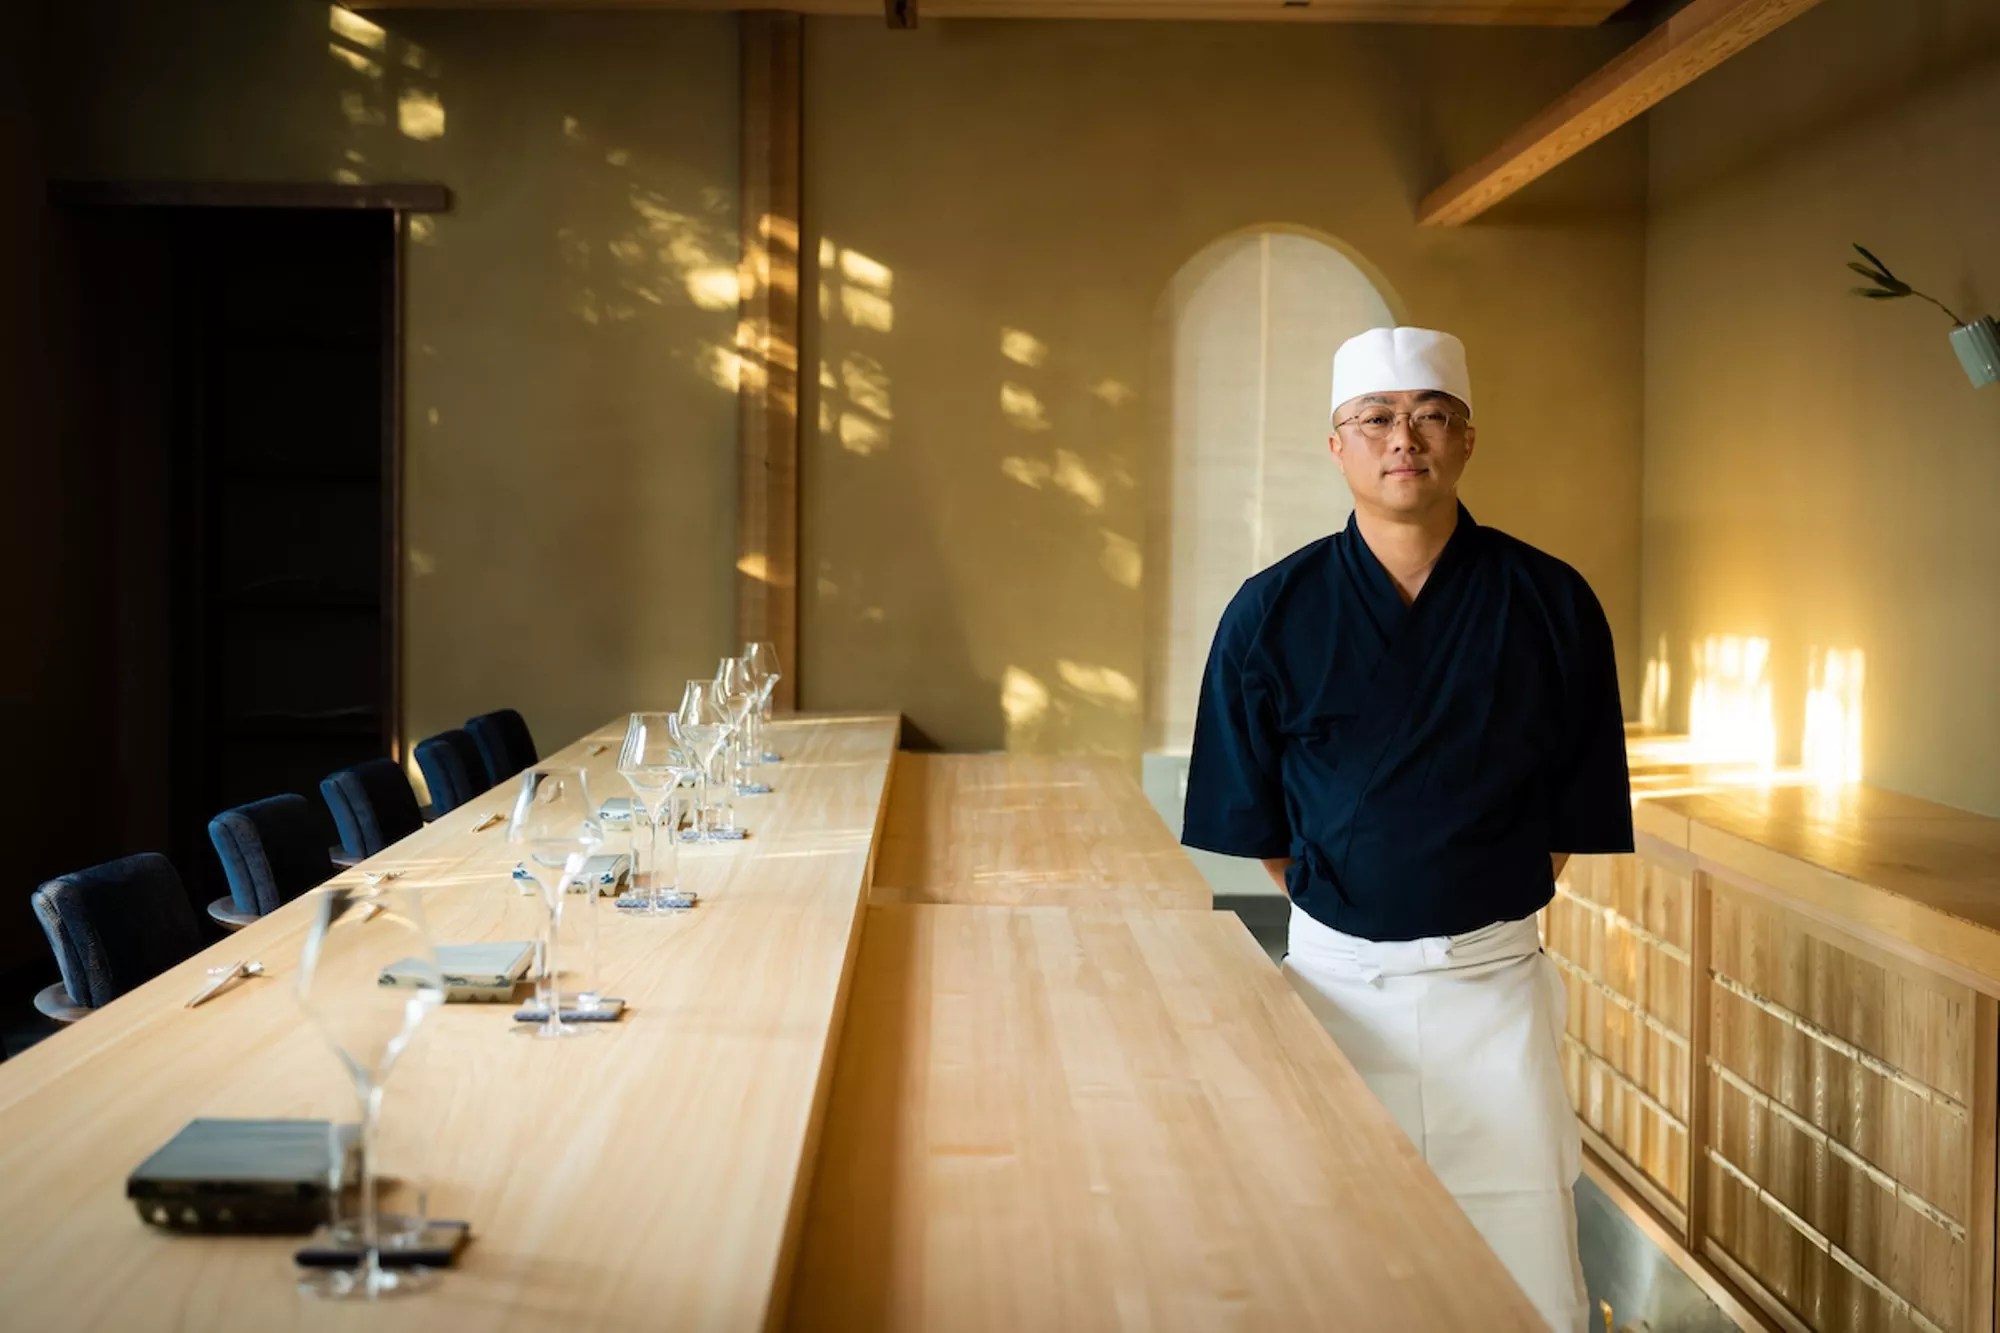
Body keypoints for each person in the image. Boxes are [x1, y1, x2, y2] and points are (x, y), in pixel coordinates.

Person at [1182, 326, 1632, 1333]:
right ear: (1334, 445)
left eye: (1429, 415)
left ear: (1466, 439)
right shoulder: (1269, 612)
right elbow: (1260, 817)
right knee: (1340, 1260)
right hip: (1338, 986)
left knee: (1519, 1262)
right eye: (1374, 419)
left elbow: (1569, 805)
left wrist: (1469, 892)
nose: (1403, 439)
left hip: (1493, 982)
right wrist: (1360, 899)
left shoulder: (1550, 602)